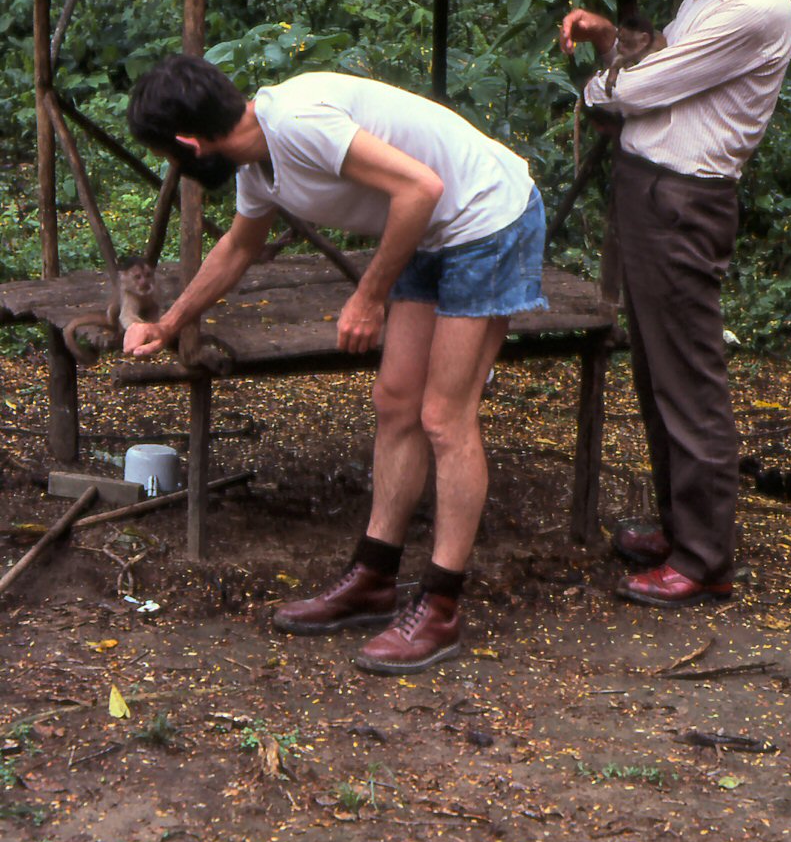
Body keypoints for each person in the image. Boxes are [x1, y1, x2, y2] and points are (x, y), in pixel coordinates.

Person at [124, 58, 547, 671]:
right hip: (430, 229)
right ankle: (374, 577)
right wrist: (168, 323)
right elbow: (239, 246)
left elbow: (421, 188)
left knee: (444, 416)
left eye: (169, 155)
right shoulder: (258, 161)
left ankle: (441, 606)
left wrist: (369, 295)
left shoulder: (298, 122)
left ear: (188, 144)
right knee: (396, 403)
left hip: (486, 215)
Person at [560, 0, 791, 607]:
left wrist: (600, 87)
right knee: (657, 370)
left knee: (688, 378)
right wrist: (612, 40)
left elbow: (648, 86)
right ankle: (680, 528)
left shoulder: (751, 6)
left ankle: (704, 557)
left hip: (682, 201)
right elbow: (664, 57)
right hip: (653, 189)